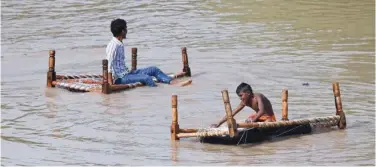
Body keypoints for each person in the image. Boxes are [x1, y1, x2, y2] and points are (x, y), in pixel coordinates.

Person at [106, 18, 190, 87]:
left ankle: (171, 83)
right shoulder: (113, 45)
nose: (127, 30)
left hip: (127, 73)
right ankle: (157, 91)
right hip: (119, 78)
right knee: (147, 78)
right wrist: (110, 84)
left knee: (154, 69)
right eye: (126, 28)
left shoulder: (119, 43)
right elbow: (109, 65)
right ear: (122, 31)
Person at [210, 82, 276, 128]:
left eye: (241, 95)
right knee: (248, 119)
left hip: (269, 117)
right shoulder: (244, 102)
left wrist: (253, 120)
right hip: (258, 117)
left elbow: (261, 111)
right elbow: (232, 113)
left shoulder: (258, 97)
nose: (240, 98)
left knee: (268, 122)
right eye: (239, 96)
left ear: (248, 93)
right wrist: (218, 124)